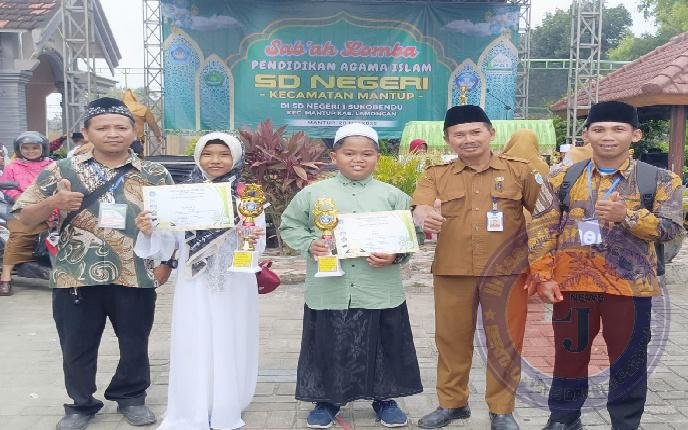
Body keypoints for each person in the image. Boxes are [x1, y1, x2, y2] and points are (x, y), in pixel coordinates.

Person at [13, 97, 174, 430]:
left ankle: (131, 397)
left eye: (121, 127)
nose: (113, 133)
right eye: (103, 128)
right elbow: (22, 219)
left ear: (134, 132)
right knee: (76, 344)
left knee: (135, 341)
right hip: (75, 273)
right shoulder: (60, 170)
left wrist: (168, 262)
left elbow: (174, 224)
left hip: (135, 271)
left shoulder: (154, 173)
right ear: (86, 132)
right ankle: (81, 404)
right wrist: (55, 201)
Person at [527, 100, 684, 430]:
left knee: (628, 359)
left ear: (635, 135)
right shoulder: (561, 177)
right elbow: (542, 227)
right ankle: (564, 418)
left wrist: (627, 216)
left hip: (630, 287)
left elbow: (672, 229)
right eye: (599, 129)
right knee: (570, 354)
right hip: (572, 285)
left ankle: (625, 423)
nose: (608, 136)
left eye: (618, 129)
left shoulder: (660, 179)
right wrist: (543, 276)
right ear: (587, 135)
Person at [280, 122, 422, 429]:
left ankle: (384, 399)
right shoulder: (313, 194)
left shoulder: (394, 196)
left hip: (379, 287)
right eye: (349, 153)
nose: (358, 159)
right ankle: (326, 400)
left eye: (367, 154)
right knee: (329, 343)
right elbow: (289, 225)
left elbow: (413, 236)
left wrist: (396, 255)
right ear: (335, 156)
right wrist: (310, 244)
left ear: (377, 157)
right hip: (330, 288)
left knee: (383, 344)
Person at [411, 105, 541, 430]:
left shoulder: (519, 171)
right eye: (459, 134)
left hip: (507, 273)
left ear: (490, 133)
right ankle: (452, 404)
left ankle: (502, 410)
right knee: (451, 340)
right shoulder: (436, 174)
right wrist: (424, 215)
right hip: (452, 270)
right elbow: (420, 205)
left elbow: (545, 213)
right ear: (447, 139)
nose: (468, 139)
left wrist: (542, 262)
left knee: (504, 341)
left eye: (475, 132)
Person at [133, 132, 265, 430]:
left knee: (232, 335)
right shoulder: (181, 194)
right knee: (195, 337)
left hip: (235, 279)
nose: (215, 160)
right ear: (198, 157)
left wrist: (248, 235)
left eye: (224, 154)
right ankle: (193, 405)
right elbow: (168, 243)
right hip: (193, 279)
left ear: (235, 157)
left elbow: (257, 245)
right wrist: (149, 230)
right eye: (208, 154)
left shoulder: (248, 195)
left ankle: (227, 403)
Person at [0, 131, 54, 296]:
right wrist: (21, 200)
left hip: (51, 208)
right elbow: (6, 187)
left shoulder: (53, 165)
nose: (30, 151)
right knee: (19, 237)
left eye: (35, 147)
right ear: (19, 149)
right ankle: (6, 277)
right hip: (21, 211)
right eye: (26, 148)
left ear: (43, 148)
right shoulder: (13, 166)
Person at [123, 89, 164, 156]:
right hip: (137, 139)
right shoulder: (143, 109)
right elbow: (152, 124)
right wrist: (158, 135)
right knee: (138, 158)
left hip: (121, 139)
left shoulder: (118, 109)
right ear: (134, 98)